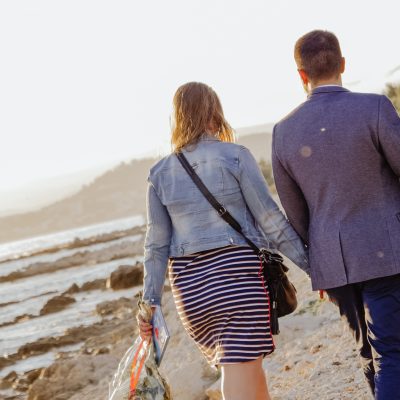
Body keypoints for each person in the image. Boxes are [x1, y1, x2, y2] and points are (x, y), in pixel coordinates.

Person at [138, 81, 309, 400]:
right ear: (214, 113)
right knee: (238, 365)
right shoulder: (235, 156)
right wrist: (315, 267)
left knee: (248, 367)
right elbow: (271, 221)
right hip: (237, 279)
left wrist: (150, 303)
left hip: (191, 292)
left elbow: (156, 245)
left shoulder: (159, 173)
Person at [272, 30, 400, 400]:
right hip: (386, 251)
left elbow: (294, 213)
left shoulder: (283, 132)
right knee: (392, 353)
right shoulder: (374, 107)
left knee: (368, 351)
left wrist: (319, 263)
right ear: (343, 64)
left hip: (333, 262)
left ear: (300, 75)